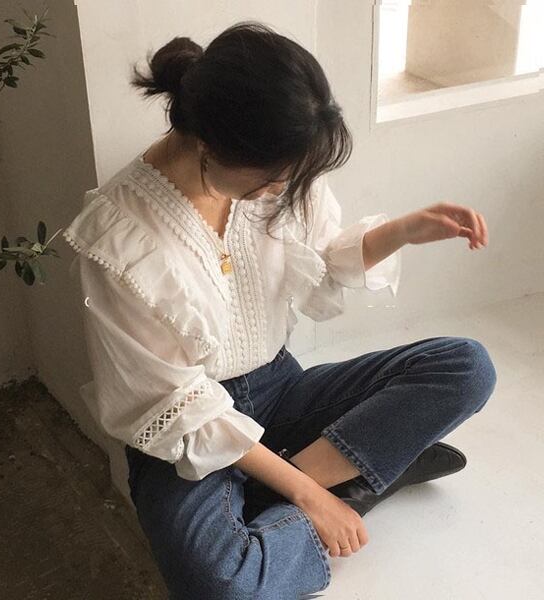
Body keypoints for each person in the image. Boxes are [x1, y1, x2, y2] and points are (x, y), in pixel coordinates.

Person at [63, 21, 497, 600]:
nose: (285, 188)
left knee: (467, 367)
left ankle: (286, 493)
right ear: (212, 144)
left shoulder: (278, 169)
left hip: (279, 389)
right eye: (273, 178)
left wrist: (404, 231)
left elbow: (324, 259)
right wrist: (311, 495)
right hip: (183, 434)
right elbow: (172, 406)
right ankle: (359, 478)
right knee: (222, 584)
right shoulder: (119, 238)